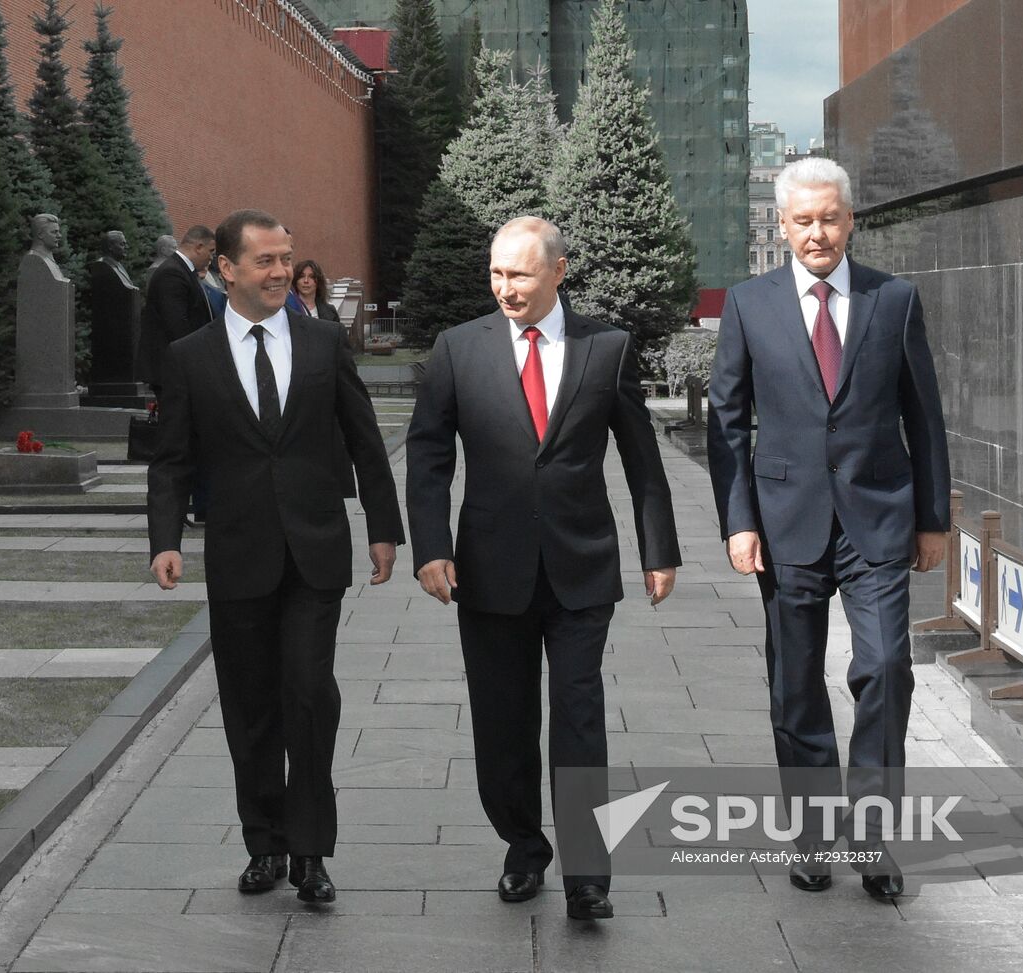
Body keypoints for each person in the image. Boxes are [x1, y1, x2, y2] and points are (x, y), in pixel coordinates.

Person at [406, 216, 681, 921]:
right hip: (489, 568)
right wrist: (430, 544)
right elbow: (429, 454)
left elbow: (641, 456)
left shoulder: (606, 348)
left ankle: (589, 874)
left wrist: (660, 549)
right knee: (504, 721)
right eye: (496, 274)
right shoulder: (458, 350)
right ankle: (523, 848)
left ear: (559, 271)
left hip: (581, 565)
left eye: (520, 274)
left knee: (580, 715)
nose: (506, 288)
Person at [706, 157, 951, 901]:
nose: (818, 232)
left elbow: (924, 414)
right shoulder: (750, 304)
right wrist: (739, 520)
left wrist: (933, 516)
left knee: (884, 669)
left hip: (878, 517)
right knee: (796, 684)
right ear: (781, 225)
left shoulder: (894, 299)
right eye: (803, 220)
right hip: (786, 525)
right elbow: (726, 418)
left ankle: (874, 840)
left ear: (852, 219)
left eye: (830, 218)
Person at [147, 209, 403, 904]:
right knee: (251, 705)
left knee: (309, 693)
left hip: (315, 552)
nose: (280, 270)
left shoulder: (322, 342)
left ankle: (312, 850)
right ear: (226, 269)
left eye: (285, 257)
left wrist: (384, 525)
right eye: (264, 260)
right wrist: (165, 539)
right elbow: (172, 460)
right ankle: (266, 842)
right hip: (238, 555)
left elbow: (363, 436)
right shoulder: (190, 356)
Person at [136, 225, 216, 399]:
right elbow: (177, 324)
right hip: (171, 369)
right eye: (211, 251)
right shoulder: (172, 273)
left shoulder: (182, 270)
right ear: (198, 247)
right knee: (174, 423)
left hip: (176, 367)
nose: (212, 257)